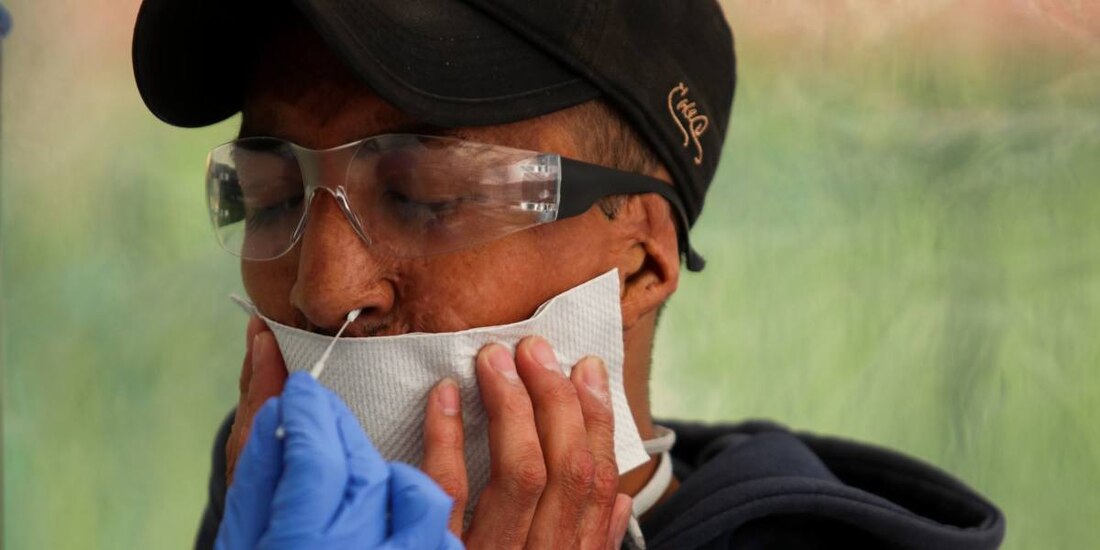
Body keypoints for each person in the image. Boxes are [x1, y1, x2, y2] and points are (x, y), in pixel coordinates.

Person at [132, 0, 1006, 548]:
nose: (323, 288)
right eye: (273, 198)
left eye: (428, 196)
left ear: (641, 259)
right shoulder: (272, 514)